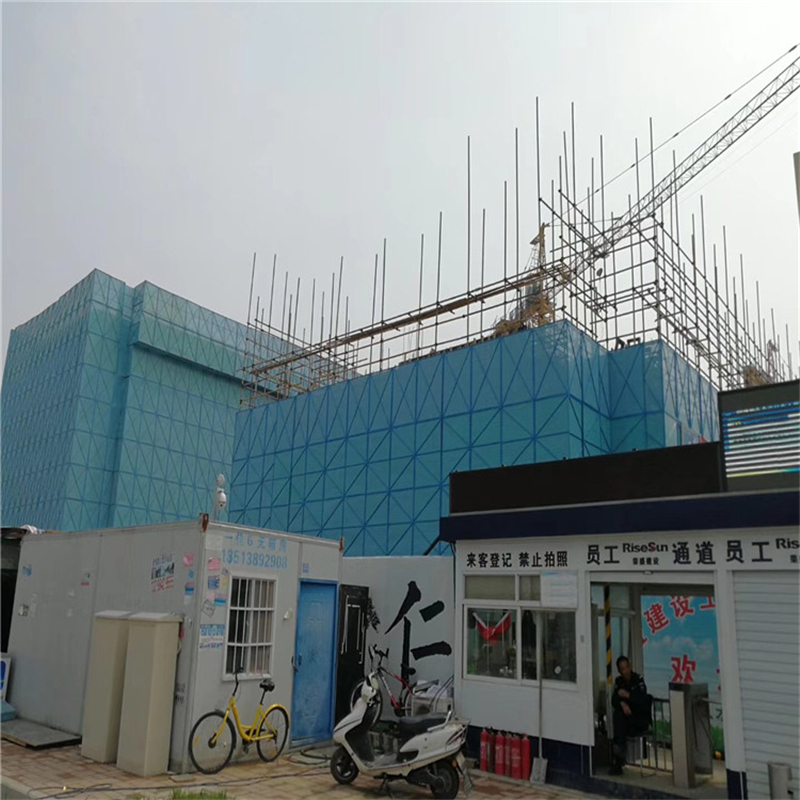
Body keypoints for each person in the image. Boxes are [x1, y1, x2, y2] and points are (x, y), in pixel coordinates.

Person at [609, 655, 651, 775]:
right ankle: (618, 760)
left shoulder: (638, 679)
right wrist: (622, 703)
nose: (626, 671)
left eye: (627, 667)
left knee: (619, 722)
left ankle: (618, 760)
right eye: (623, 669)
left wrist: (628, 695)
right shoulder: (619, 681)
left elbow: (642, 699)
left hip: (639, 719)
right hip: (626, 720)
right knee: (618, 717)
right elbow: (614, 699)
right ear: (619, 671)